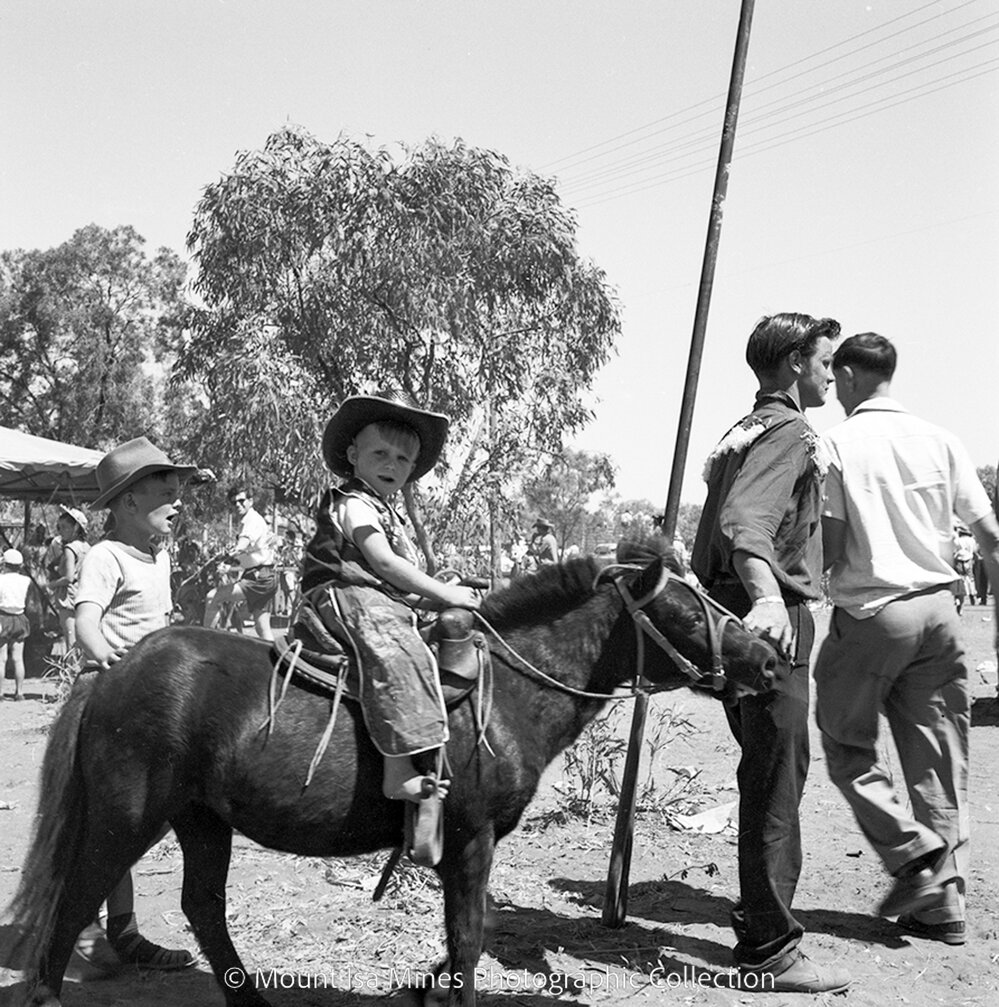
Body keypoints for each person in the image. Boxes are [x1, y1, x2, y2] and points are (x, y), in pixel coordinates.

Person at [814, 333, 999, 948]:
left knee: (846, 744)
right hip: (941, 611)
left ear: (847, 376)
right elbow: (988, 532)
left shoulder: (838, 443)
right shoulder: (941, 438)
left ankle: (915, 856)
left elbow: (835, 544)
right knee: (941, 761)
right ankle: (945, 907)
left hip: (873, 612)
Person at [690, 311, 848, 993]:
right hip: (769, 622)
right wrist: (763, 599)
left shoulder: (740, 429)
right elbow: (742, 523)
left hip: (730, 616)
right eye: (822, 361)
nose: (829, 374)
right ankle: (769, 946)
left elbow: (711, 538)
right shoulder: (790, 431)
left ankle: (760, 913)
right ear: (792, 364)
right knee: (775, 778)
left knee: (765, 768)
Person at [301, 392, 479, 812]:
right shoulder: (355, 503)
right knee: (394, 648)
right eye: (380, 453)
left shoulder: (389, 513)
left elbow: (398, 584)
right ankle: (397, 774)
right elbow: (382, 563)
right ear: (353, 455)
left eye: (402, 459)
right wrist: (444, 593)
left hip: (374, 596)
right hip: (344, 595)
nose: (391, 464)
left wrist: (435, 599)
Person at [74, 436, 197, 971]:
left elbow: (160, 626)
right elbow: (86, 622)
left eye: (177, 493)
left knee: (143, 820)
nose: (177, 504)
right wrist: (108, 664)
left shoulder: (159, 557)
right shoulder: (104, 556)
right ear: (127, 503)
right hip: (109, 703)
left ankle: (117, 929)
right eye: (165, 495)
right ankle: (89, 928)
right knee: (109, 821)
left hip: (153, 705)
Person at [202, 487, 278, 641]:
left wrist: (227, 554)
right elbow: (249, 555)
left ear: (250, 501)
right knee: (262, 629)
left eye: (241, 500)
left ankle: (203, 642)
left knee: (212, 597)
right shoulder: (249, 520)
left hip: (260, 577)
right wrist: (230, 564)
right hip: (264, 575)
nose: (237, 504)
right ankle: (279, 661)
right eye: (234, 501)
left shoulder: (252, 520)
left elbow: (242, 545)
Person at [47, 505, 90, 653]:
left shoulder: (70, 548)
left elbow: (69, 577)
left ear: (76, 528)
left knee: (70, 639)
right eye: (59, 527)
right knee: (82, 638)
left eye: (64, 527)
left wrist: (52, 584)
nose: (60, 531)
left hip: (68, 598)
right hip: (84, 595)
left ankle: (71, 672)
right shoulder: (87, 547)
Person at [0, 548, 33, 701]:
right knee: (18, 658)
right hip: (20, 618)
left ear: (4, 564)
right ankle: (19, 692)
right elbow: (30, 603)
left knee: (1, 659)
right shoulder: (26, 581)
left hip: (3, 617)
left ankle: (0, 692)